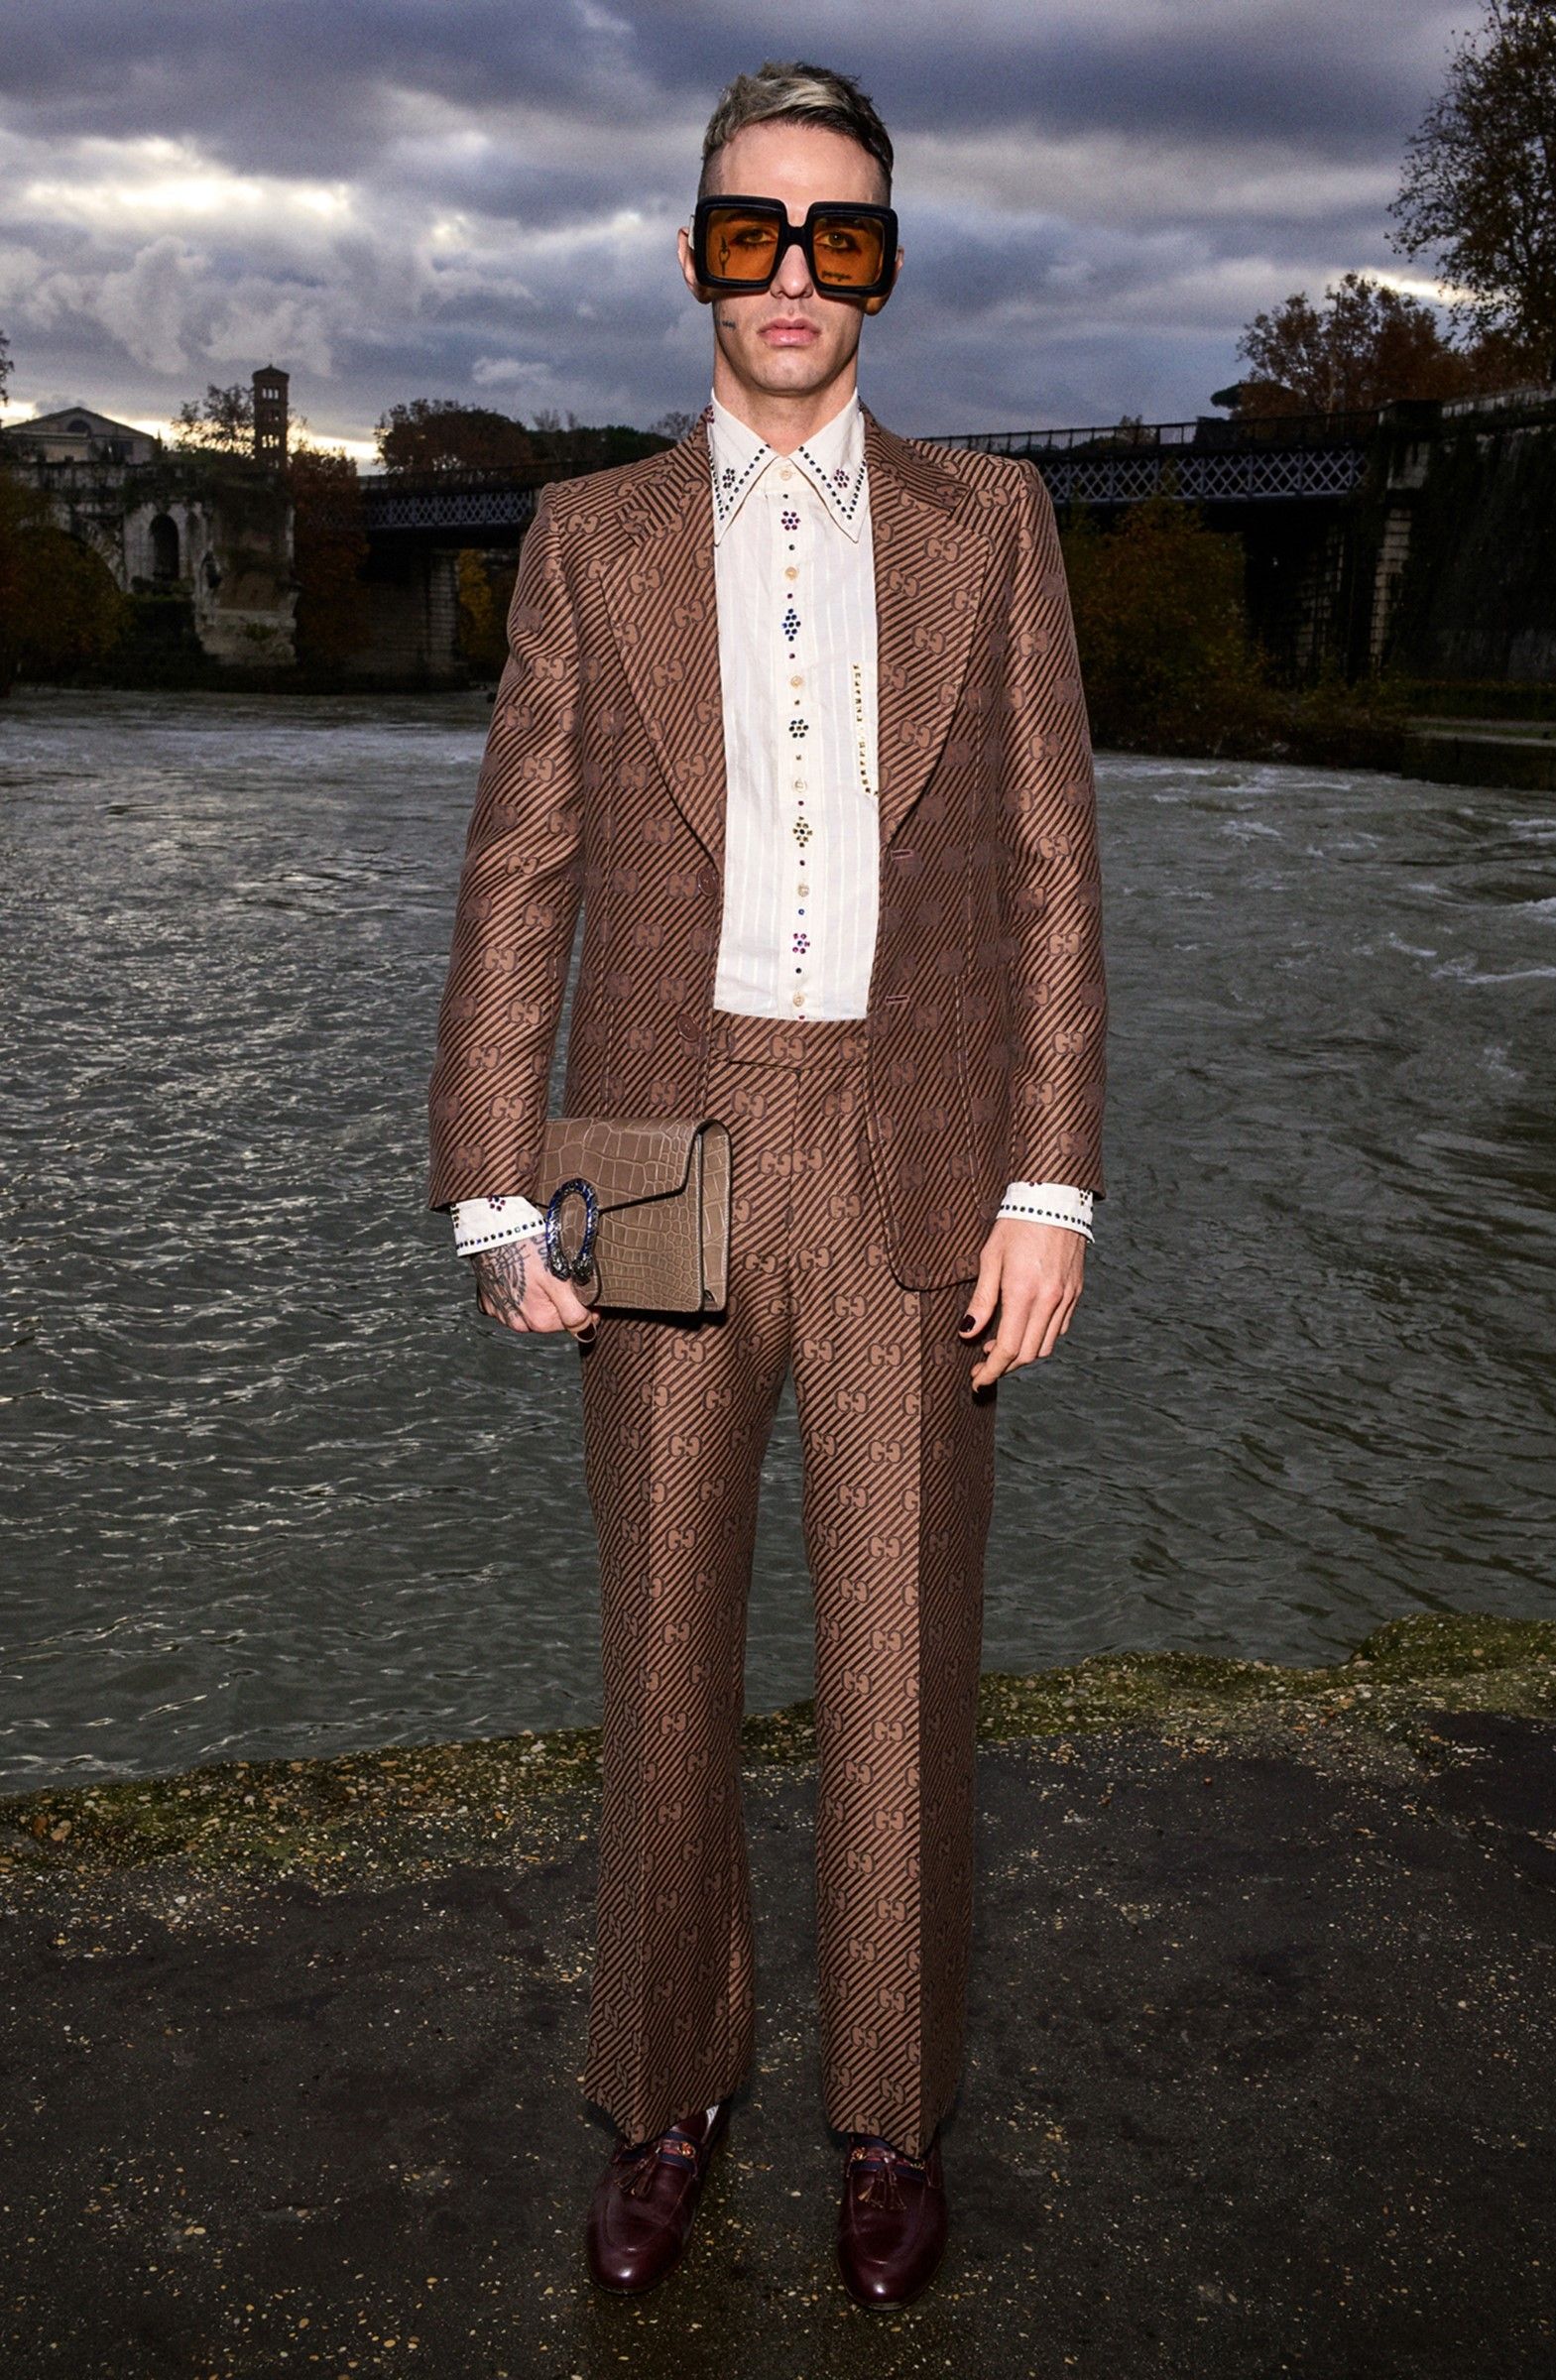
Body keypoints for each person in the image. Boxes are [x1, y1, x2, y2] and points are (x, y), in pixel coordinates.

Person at [427, 58, 1106, 2311]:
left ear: (885, 264)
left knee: (901, 1670)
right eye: (751, 229)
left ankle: (890, 2116)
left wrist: (1054, 1184)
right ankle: (667, 2091)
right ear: (696, 253)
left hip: (917, 1153)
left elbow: (1049, 877)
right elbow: (518, 877)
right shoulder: (587, 536)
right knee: (660, 1658)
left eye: (839, 233)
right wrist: (489, 1184)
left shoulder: (993, 525)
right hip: (651, 1152)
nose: (793, 272)